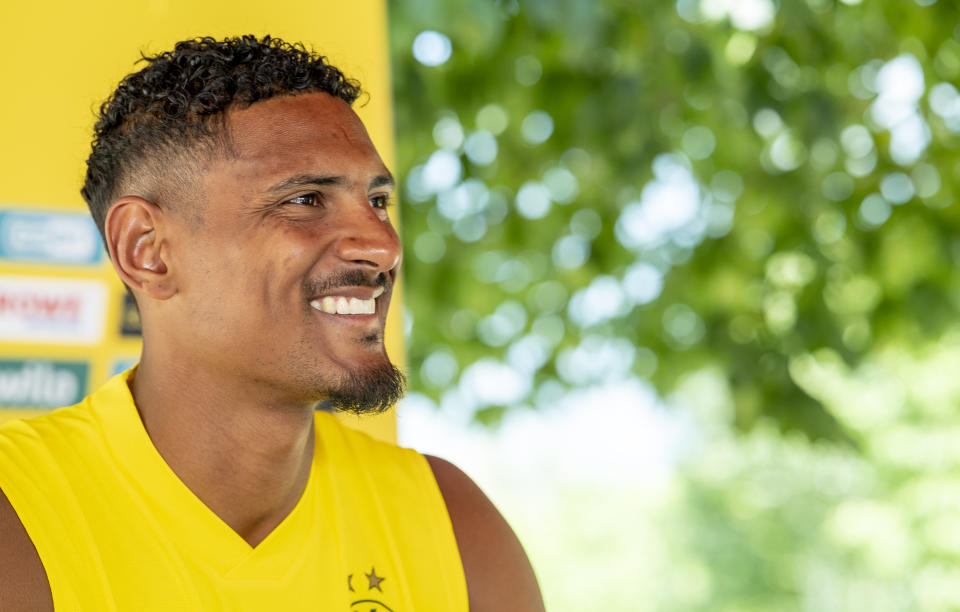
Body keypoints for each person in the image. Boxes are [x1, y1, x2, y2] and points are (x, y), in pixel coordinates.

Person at [0, 35, 545, 612]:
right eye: (306, 200)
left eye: (379, 202)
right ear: (147, 250)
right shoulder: (18, 514)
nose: (382, 247)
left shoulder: (455, 525)